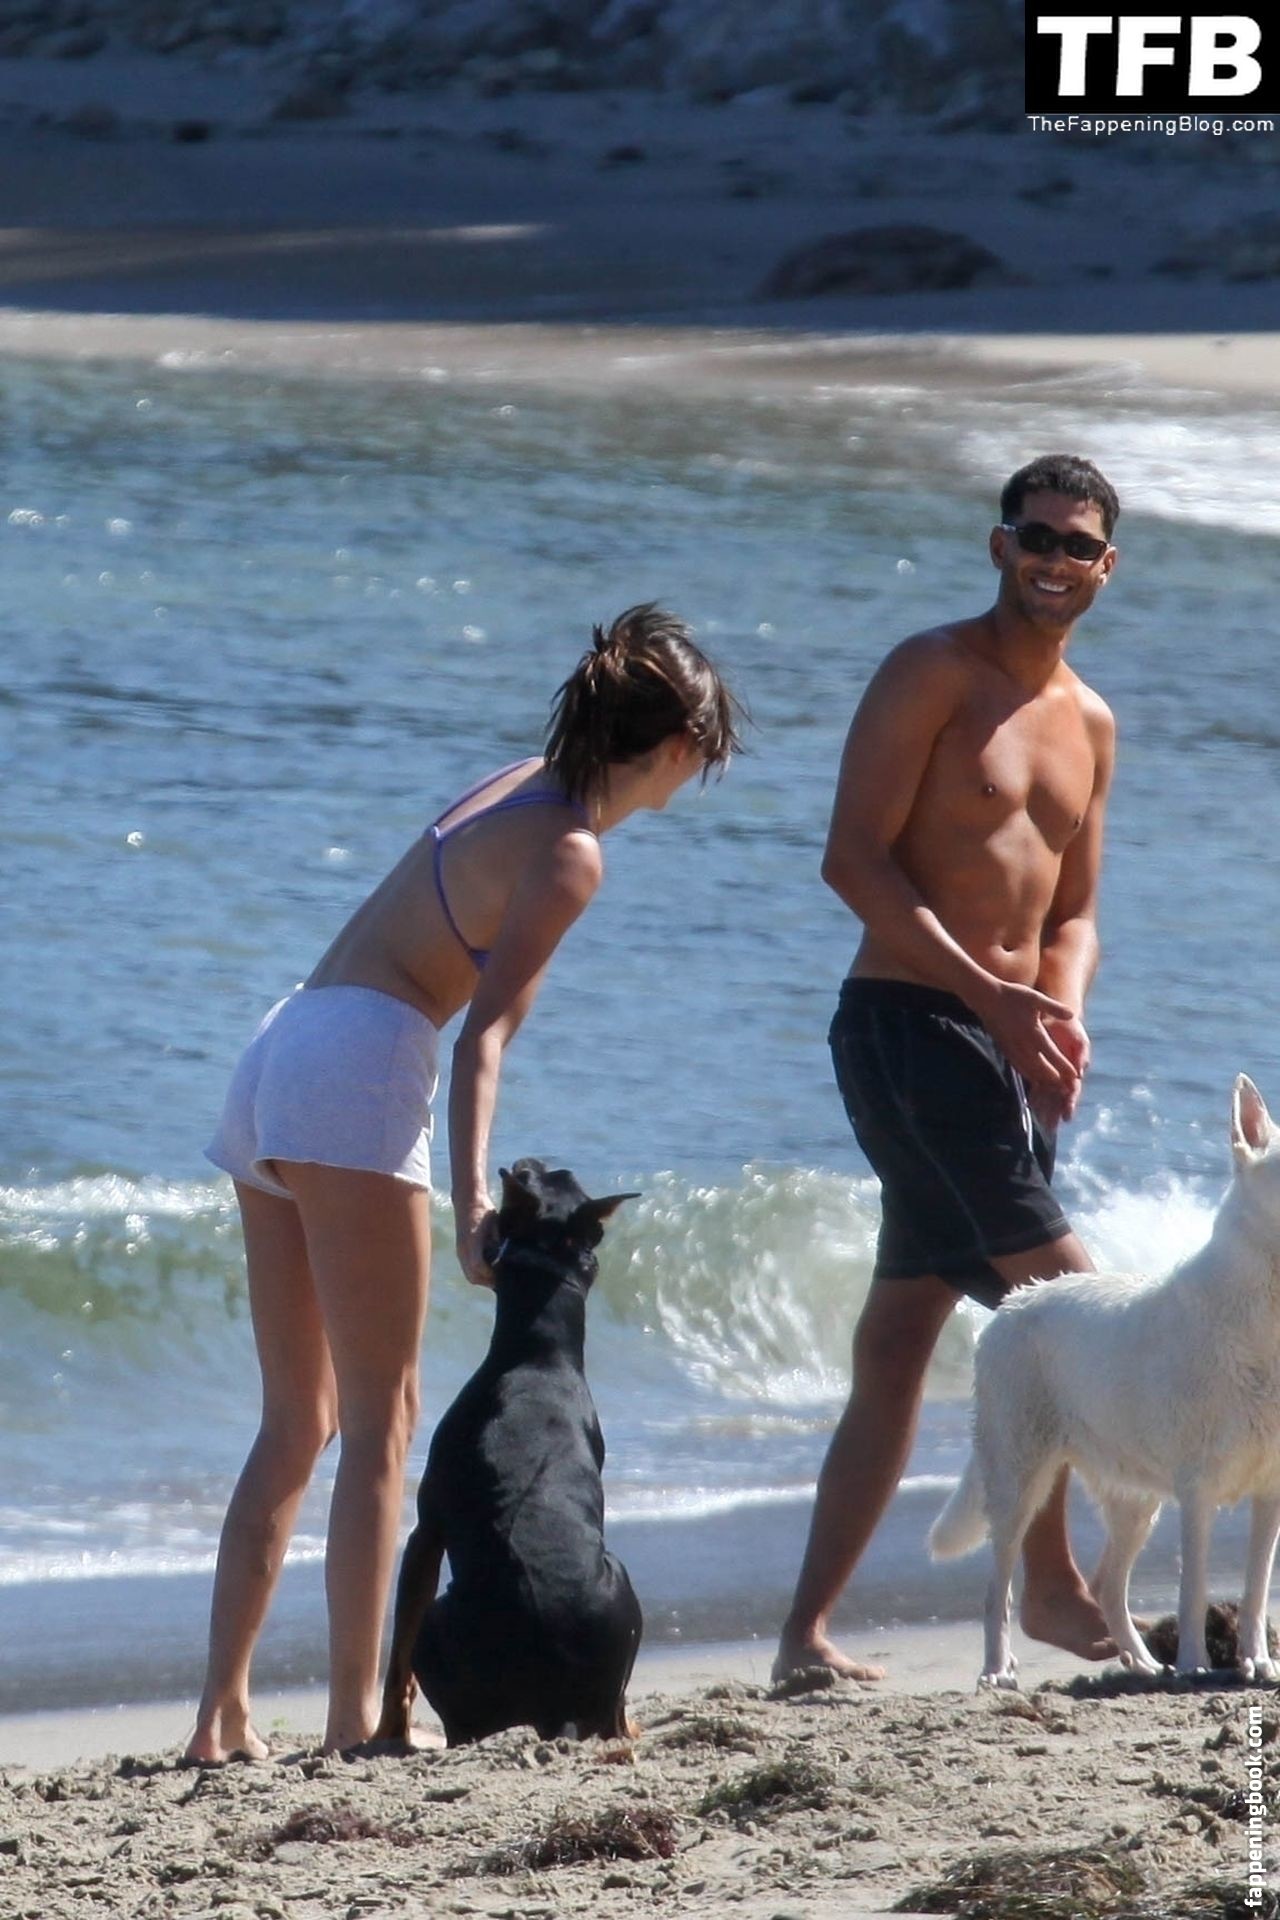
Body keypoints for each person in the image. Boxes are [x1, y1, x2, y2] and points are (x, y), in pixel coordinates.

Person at [186, 605, 742, 1761]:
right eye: (703, 756)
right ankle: (354, 1722)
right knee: (380, 1420)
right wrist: (473, 1205)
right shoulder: (571, 850)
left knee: (297, 1421)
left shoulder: (516, 782)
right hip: (361, 1061)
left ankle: (220, 1715)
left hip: (285, 1042)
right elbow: (484, 1035)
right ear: (676, 744)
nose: (695, 779)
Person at [775, 454, 1120, 1683]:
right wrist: (993, 1001)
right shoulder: (929, 672)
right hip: (909, 1028)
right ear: (996, 545)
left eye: (1074, 544)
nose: (1050, 560)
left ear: (1103, 567)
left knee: (898, 1341)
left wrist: (1054, 1016)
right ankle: (1056, 1587)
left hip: (1010, 1050)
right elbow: (850, 860)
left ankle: (801, 1640)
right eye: (1033, 536)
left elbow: (1073, 912)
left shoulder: (1089, 723)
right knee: (1075, 1312)